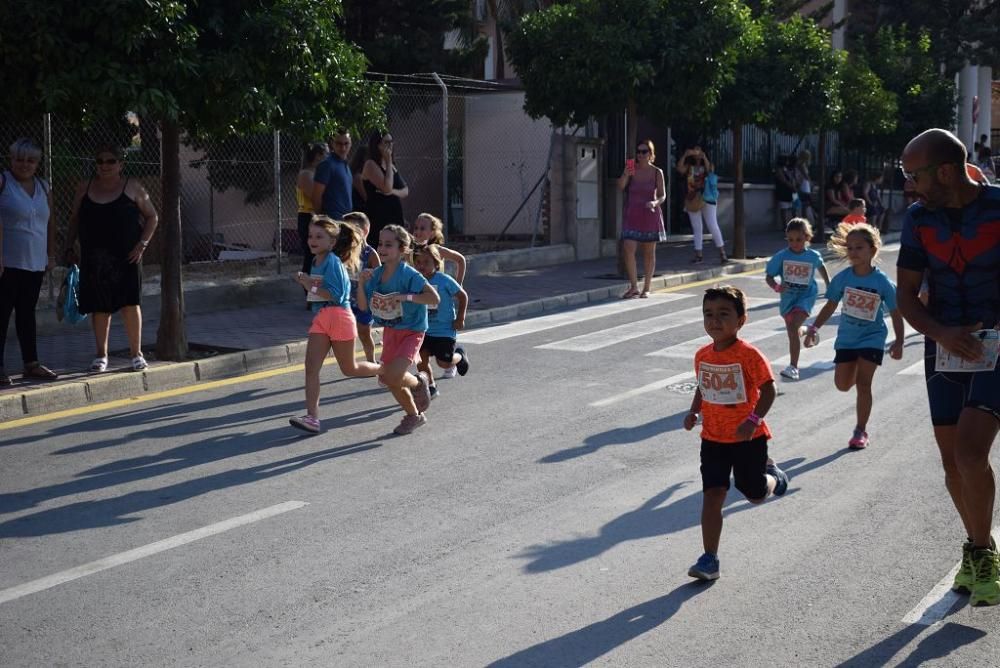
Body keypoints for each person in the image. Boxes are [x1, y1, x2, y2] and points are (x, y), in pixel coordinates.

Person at [896, 128, 1000, 607]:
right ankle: (979, 546)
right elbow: (905, 297)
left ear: (943, 171)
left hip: (997, 348)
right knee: (951, 463)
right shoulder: (918, 219)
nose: (909, 185)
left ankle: (982, 555)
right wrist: (939, 333)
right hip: (943, 347)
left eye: (912, 175)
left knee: (970, 452)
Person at [683, 286, 789, 581]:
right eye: (708, 314)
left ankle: (774, 477)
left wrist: (753, 419)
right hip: (713, 438)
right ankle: (709, 559)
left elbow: (769, 389)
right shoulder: (702, 354)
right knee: (713, 495)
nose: (714, 321)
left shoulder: (749, 354)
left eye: (723, 314)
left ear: (741, 320)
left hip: (748, 438)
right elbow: (703, 386)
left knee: (754, 494)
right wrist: (694, 412)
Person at [804, 223, 904, 449]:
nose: (853, 252)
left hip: (873, 337)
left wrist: (899, 340)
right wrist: (814, 328)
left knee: (864, 384)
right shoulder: (843, 278)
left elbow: (896, 312)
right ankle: (856, 365)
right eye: (850, 248)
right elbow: (830, 306)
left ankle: (860, 430)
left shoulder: (882, 283)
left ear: (872, 250)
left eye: (859, 248)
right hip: (848, 339)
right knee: (842, 384)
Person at [64, 145, 158, 372]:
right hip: (94, 257)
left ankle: (136, 354)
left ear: (120, 165)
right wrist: (68, 246)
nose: (105, 165)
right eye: (100, 161)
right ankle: (101, 355)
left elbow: (152, 216)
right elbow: (74, 219)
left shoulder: (133, 187)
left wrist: (142, 244)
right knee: (99, 306)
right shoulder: (84, 188)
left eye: (111, 161)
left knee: (129, 303)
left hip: (127, 256)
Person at [288, 217, 381, 434]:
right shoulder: (315, 262)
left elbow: (338, 295)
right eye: (311, 236)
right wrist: (308, 283)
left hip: (339, 316)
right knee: (311, 368)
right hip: (322, 317)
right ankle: (312, 418)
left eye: (319, 237)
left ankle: (387, 370)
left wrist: (309, 285)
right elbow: (319, 293)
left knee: (350, 368)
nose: (313, 240)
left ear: (332, 242)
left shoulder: (332, 261)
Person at [357, 224, 439, 435]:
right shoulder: (375, 275)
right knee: (387, 379)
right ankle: (414, 415)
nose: (382, 248)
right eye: (380, 243)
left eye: (389, 244)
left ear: (402, 249)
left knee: (393, 375)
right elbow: (364, 306)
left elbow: (433, 298)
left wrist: (406, 297)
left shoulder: (409, 275)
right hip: (391, 332)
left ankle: (418, 382)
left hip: (413, 331)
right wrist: (360, 284)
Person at [0, 138, 58, 384]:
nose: (24, 164)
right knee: (1, 314)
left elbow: (50, 222)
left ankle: (31, 363)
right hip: (7, 261)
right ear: (11, 160)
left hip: (35, 261)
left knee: (27, 313)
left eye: (31, 160)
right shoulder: (3, 182)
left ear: (38, 163)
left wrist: (50, 254)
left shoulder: (44, 187)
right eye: (19, 159)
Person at [765, 218, 830, 381]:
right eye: (791, 239)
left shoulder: (813, 256)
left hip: (806, 296)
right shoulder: (781, 256)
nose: (794, 243)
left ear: (807, 238)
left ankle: (793, 367)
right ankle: (809, 329)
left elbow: (822, 267)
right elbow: (769, 276)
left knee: (794, 326)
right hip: (788, 299)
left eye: (799, 239)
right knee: (794, 331)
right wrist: (777, 287)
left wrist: (830, 285)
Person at [413, 243, 470, 398]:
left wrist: (460, 318)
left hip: (445, 329)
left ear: (437, 264)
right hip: (423, 329)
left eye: (426, 262)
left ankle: (459, 355)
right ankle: (430, 386)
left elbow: (462, 296)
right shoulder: (415, 280)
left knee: (444, 363)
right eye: (418, 262)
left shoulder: (444, 280)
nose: (421, 266)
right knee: (420, 357)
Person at [675, 146, 726, 266]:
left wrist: (704, 157)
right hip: (693, 198)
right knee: (697, 227)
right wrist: (685, 155)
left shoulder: (707, 164)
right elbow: (679, 169)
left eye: (699, 150)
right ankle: (699, 255)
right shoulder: (689, 167)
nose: (696, 153)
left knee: (712, 225)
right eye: (695, 150)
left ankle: (722, 253)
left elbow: (711, 171)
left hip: (707, 198)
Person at [341, 211, 380, 363]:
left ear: (364, 231)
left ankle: (371, 361)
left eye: (352, 228)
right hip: (347, 300)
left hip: (365, 300)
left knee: (364, 332)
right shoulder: (343, 252)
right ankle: (348, 362)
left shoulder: (370, 253)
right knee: (346, 332)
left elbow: (380, 276)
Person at [362, 131, 409, 245]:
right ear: (377, 145)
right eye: (386, 142)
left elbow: (405, 190)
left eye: (391, 142)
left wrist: (392, 192)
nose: (390, 145)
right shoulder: (371, 164)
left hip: (394, 215)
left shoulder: (391, 166)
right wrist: (388, 161)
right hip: (378, 216)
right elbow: (386, 187)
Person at [296, 143, 328, 276]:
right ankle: (309, 289)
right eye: (326, 153)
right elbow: (316, 198)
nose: (329, 156)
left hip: (320, 217)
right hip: (309, 217)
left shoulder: (320, 173)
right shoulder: (306, 174)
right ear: (318, 155)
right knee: (311, 254)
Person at [411, 213, 467, 284]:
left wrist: (458, 286)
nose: (417, 231)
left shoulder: (437, 250)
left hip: (437, 293)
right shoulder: (411, 251)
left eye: (422, 228)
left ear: (432, 233)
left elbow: (460, 259)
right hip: (418, 293)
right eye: (416, 228)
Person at [312, 129, 354, 220]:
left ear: (351, 143)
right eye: (339, 143)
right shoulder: (327, 165)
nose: (343, 148)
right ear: (332, 143)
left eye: (346, 143)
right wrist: (322, 220)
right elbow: (316, 196)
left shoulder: (345, 164)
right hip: (331, 222)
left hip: (345, 220)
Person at [773, 155, 798, 230]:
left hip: (792, 191)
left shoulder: (787, 169)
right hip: (783, 191)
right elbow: (783, 180)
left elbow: (792, 178)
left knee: (794, 207)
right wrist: (792, 186)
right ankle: (785, 226)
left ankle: (795, 224)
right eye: (786, 160)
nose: (788, 162)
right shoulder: (779, 169)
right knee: (784, 208)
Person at [795, 150, 816, 224]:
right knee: (806, 203)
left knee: (804, 204)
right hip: (804, 185)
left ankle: (804, 221)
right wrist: (811, 182)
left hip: (802, 184)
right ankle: (805, 221)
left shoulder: (799, 164)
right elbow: (806, 176)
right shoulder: (802, 165)